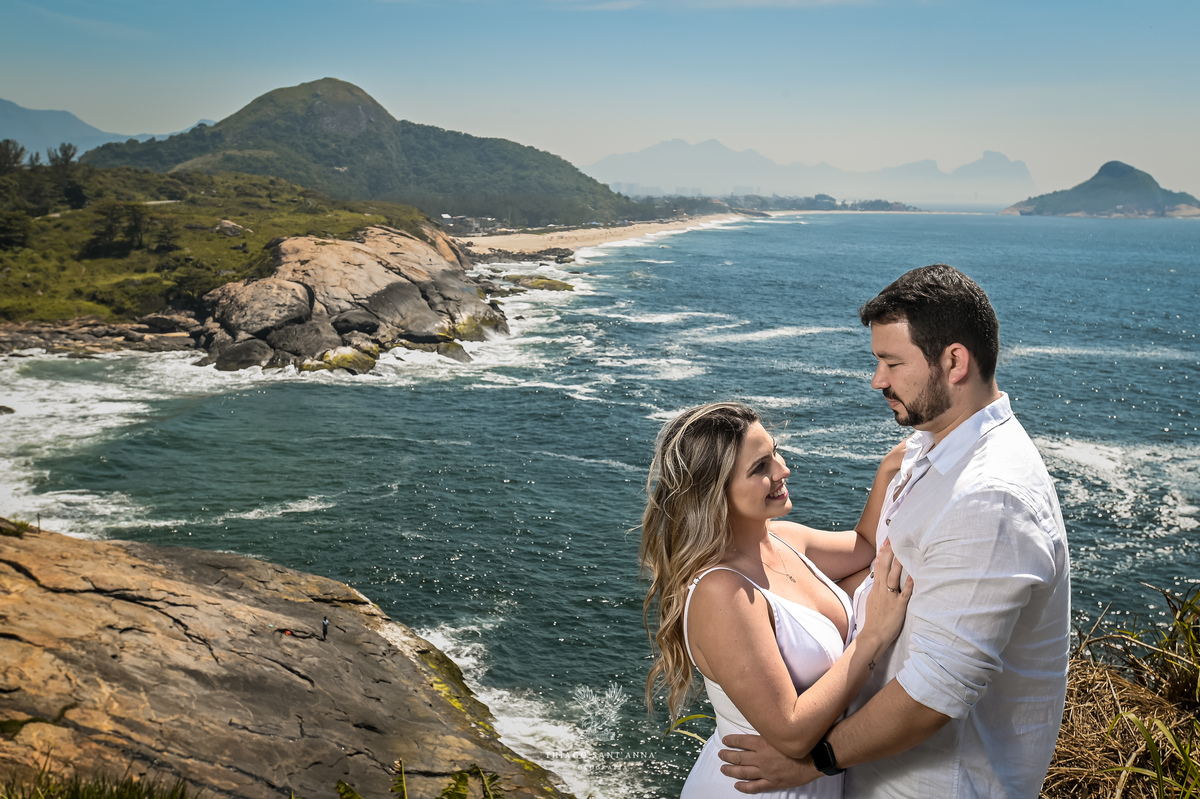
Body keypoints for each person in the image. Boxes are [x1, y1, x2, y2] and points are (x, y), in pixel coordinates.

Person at [717, 264, 1072, 798]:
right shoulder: (931, 451)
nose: (877, 379)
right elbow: (878, 565)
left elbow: (932, 694)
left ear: (954, 361)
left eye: (891, 362)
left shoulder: (989, 496)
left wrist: (815, 760)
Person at [640, 401, 914, 798]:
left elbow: (866, 546)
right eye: (760, 467)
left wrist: (892, 465)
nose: (783, 470)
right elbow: (791, 733)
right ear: (714, 492)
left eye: (775, 453)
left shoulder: (786, 539)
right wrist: (874, 635)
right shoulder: (721, 591)